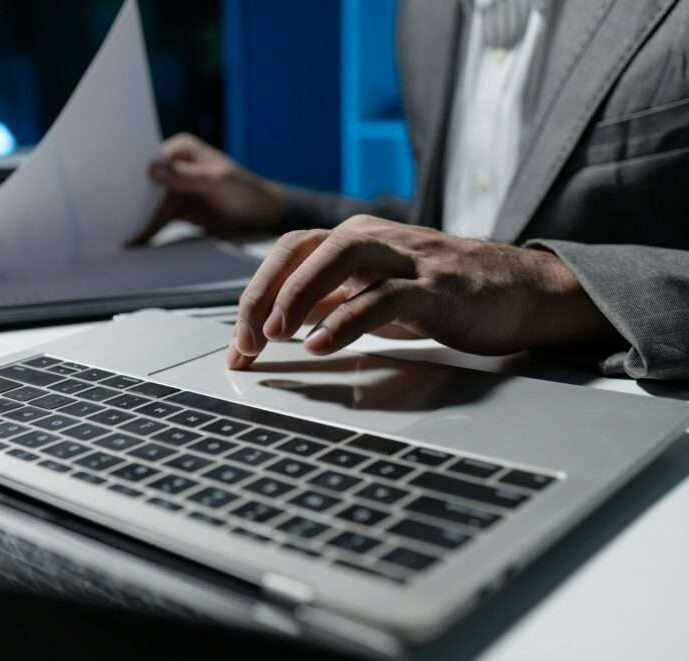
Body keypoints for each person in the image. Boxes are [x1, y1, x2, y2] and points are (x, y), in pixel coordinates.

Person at [138, 0, 689, 381]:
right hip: (435, 382)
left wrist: (541, 284)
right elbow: (459, 231)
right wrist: (276, 205)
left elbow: (488, 262)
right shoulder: (426, 15)